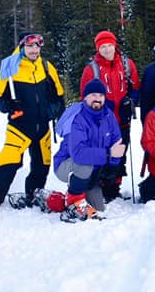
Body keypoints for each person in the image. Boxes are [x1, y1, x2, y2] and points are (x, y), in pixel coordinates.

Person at [0, 33, 65, 207]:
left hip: (42, 127)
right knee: (9, 162)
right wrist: (9, 105)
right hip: (19, 127)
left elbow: (59, 95)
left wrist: (54, 110)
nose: (34, 50)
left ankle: (34, 194)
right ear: (22, 47)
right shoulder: (10, 67)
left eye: (37, 46)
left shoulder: (47, 67)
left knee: (42, 165)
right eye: (30, 46)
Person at [52, 78, 126, 222]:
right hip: (67, 165)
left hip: (92, 170)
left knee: (99, 206)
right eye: (93, 95)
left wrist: (112, 164)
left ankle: (56, 200)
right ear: (85, 97)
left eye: (100, 95)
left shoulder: (108, 115)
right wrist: (108, 154)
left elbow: (116, 143)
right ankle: (74, 200)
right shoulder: (78, 118)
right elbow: (79, 154)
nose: (97, 99)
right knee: (85, 165)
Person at [79, 30, 141, 201]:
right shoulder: (91, 69)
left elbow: (135, 87)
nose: (107, 50)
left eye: (109, 45)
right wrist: (101, 106)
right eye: (103, 47)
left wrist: (131, 100)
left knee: (120, 153)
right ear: (98, 49)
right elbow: (84, 97)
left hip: (122, 120)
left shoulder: (127, 64)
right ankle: (100, 187)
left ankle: (115, 187)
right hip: (101, 123)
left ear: (115, 45)